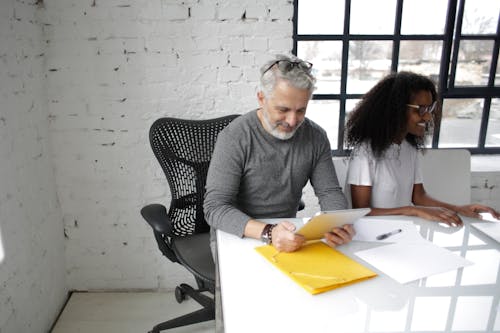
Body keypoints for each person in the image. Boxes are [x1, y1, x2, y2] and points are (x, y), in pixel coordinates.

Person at [204, 54, 354, 254]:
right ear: (261, 98)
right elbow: (215, 207)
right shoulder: (234, 137)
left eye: (301, 110)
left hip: (285, 233)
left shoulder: (316, 137)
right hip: (236, 234)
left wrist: (338, 222)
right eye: (283, 109)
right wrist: (269, 232)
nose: (292, 121)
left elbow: (330, 192)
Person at [345, 71, 500, 226]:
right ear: (395, 109)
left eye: (429, 108)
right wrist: (412, 210)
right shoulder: (364, 152)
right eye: (420, 109)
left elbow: (419, 197)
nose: (428, 117)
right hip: (372, 238)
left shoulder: (409, 148)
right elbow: (361, 212)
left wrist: (459, 209)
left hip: (402, 232)